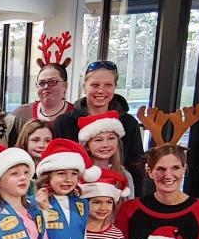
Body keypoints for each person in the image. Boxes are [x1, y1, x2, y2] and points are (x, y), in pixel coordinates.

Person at [53, 60, 145, 193]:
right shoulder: (64, 123)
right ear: (84, 86)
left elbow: (136, 169)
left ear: (115, 87)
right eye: (95, 85)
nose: (101, 90)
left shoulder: (128, 124)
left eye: (108, 85)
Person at [8, 58, 73, 145]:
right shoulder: (21, 115)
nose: (46, 86)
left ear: (65, 85)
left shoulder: (76, 116)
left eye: (53, 82)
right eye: (41, 83)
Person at [77, 110, 136, 200]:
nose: (105, 145)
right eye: (98, 140)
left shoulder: (125, 175)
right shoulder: (77, 174)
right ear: (87, 146)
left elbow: (129, 207)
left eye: (111, 138)